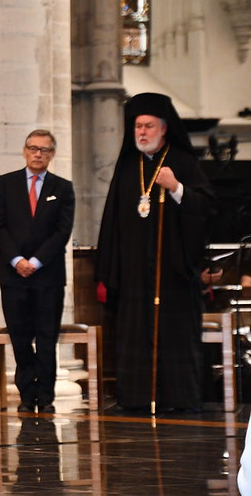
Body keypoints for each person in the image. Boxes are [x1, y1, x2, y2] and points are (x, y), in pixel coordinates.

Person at [95, 92, 214, 412]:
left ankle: (178, 398)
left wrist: (176, 188)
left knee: (174, 335)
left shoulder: (183, 162)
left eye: (148, 126)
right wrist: (109, 270)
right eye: (137, 127)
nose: (142, 132)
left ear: (163, 128)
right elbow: (112, 222)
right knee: (135, 334)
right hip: (134, 276)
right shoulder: (127, 167)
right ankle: (137, 398)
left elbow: (206, 209)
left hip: (173, 275)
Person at [0, 130, 75, 414]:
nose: (38, 154)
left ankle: (46, 395)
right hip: (12, 274)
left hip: (48, 275)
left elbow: (62, 231)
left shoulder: (63, 188)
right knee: (20, 337)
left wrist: (36, 261)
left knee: (47, 336)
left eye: (44, 150)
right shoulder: (6, 183)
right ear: (24, 151)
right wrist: (17, 260)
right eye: (33, 148)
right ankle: (27, 394)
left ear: (52, 154)